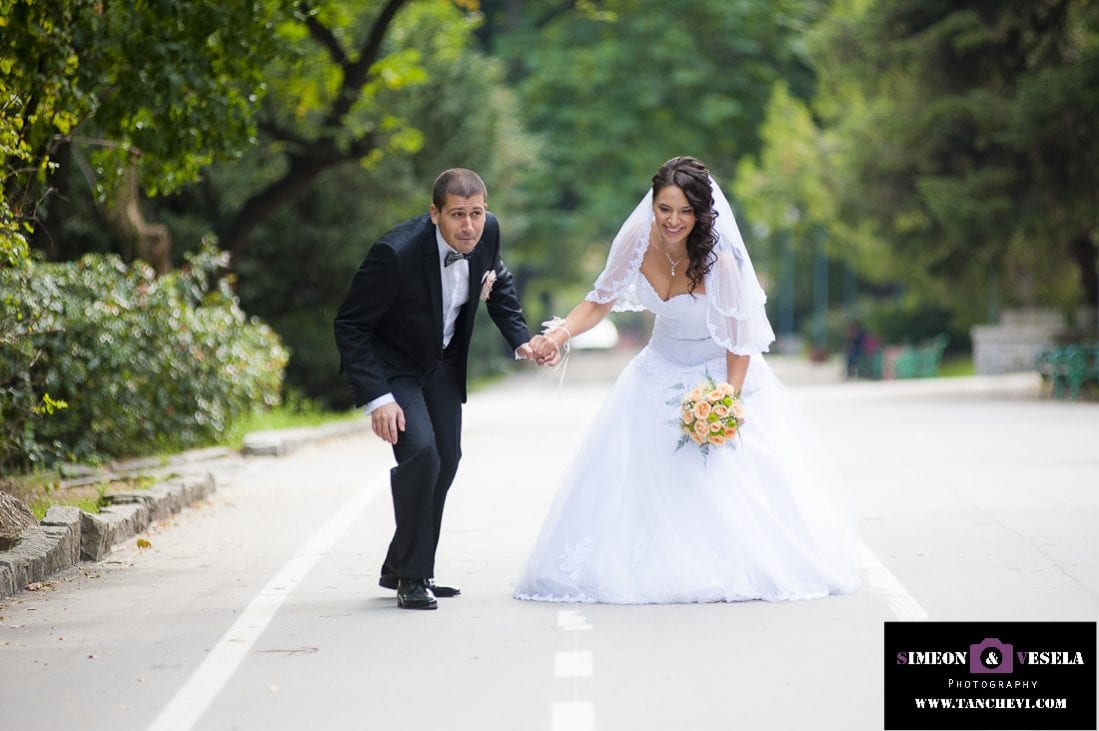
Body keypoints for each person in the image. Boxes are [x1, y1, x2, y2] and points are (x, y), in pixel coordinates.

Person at [515, 156, 860, 604]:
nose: (673, 221)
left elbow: (740, 339)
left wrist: (727, 401)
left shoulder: (720, 260)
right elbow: (599, 300)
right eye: (664, 209)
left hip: (719, 372)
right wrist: (558, 334)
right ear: (652, 206)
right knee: (644, 473)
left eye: (684, 211)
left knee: (715, 475)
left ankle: (721, 564)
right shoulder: (637, 242)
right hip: (657, 370)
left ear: (700, 213)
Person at [335, 168, 535, 610]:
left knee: (447, 460)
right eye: (457, 215)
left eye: (477, 214)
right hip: (396, 368)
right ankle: (412, 576)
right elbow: (350, 325)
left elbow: (498, 283)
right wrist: (378, 398)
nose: (469, 226)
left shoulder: (488, 233)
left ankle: (407, 564)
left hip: (443, 365)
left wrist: (521, 341)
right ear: (434, 214)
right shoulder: (396, 253)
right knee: (421, 453)